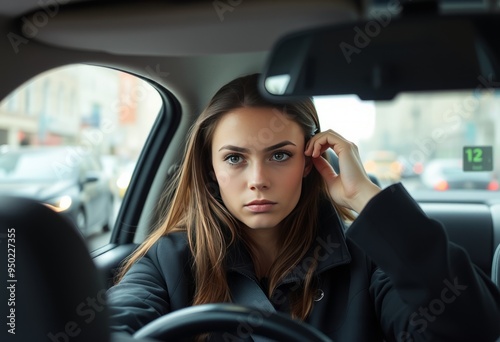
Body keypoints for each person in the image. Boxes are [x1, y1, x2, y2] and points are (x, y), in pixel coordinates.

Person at [106, 73, 500, 341]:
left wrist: (368, 200)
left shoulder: (368, 262)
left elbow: (471, 327)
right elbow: (115, 325)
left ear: (310, 163)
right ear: (210, 170)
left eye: (279, 156)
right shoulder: (167, 261)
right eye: (234, 158)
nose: (257, 178)